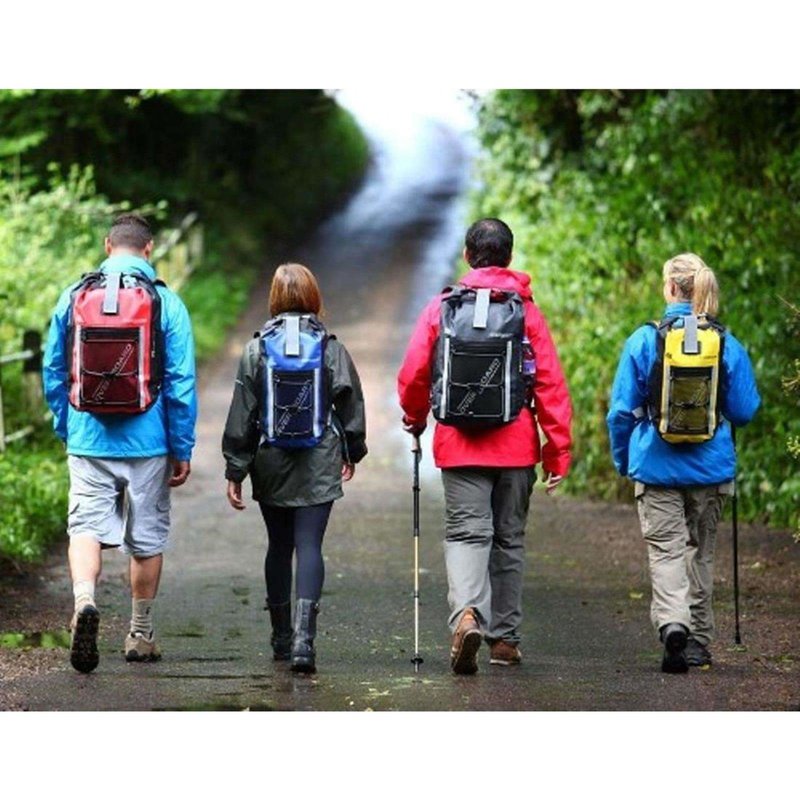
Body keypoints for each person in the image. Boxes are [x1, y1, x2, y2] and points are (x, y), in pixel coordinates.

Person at [397, 218, 572, 675]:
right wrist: (557, 450)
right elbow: (550, 384)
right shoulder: (526, 312)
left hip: (460, 445)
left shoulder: (442, 308)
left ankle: (467, 617)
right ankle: (505, 641)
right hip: (516, 446)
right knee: (508, 540)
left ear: (467, 256)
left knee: (466, 534)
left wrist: (416, 418)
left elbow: (414, 372)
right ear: (509, 258)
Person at [43, 213, 197, 673]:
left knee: (85, 527)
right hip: (149, 441)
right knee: (146, 537)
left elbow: (53, 369)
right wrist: (181, 447)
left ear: (108, 246)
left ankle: (84, 603)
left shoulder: (74, 296)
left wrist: (66, 424)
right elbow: (181, 382)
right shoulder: (166, 302)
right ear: (149, 249)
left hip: (88, 435)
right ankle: (140, 633)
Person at [607, 253, 760, 673]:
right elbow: (744, 410)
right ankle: (697, 641)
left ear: (671, 288)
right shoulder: (726, 343)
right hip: (711, 471)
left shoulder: (644, 340)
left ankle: (674, 622)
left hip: (656, 469)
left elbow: (620, 413)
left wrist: (624, 460)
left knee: (667, 552)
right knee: (700, 553)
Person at [222, 262, 367, 674]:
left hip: (271, 461)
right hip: (319, 460)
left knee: (278, 546)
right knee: (309, 546)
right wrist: (352, 451)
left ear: (274, 299)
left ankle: (282, 640)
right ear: (313, 297)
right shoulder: (330, 347)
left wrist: (236, 468)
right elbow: (351, 403)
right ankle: (306, 643)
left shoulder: (256, 350)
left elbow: (242, 414)